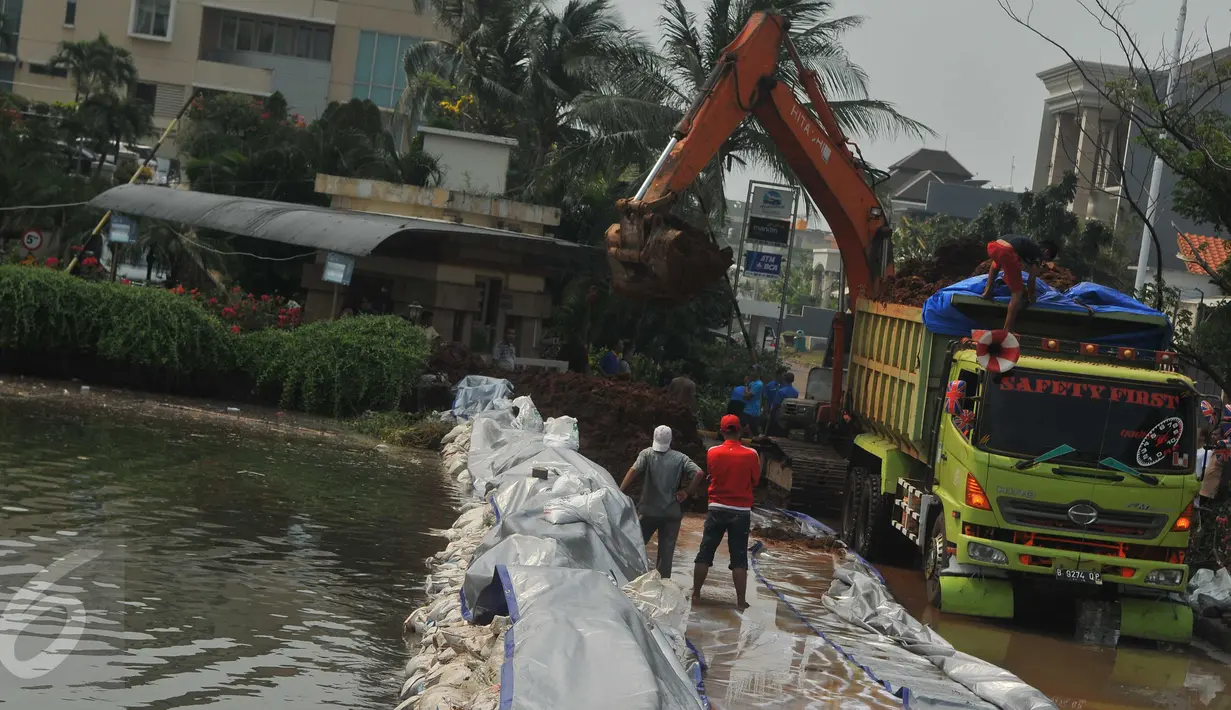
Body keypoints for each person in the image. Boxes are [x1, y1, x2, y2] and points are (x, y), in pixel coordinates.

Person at [686, 414, 761, 608]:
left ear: (721, 431)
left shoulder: (713, 452)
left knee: (705, 552)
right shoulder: (751, 454)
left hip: (717, 508)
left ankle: (696, 594)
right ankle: (741, 601)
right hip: (741, 511)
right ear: (740, 431)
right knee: (739, 558)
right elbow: (755, 481)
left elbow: (712, 475)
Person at [619, 425, 702, 579]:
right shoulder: (680, 458)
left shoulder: (647, 454)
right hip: (671, 513)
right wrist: (687, 492)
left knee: (636, 546)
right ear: (670, 440)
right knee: (666, 553)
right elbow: (699, 472)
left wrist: (619, 490)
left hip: (648, 511)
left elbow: (634, 470)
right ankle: (661, 585)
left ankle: (631, 577)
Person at [980, 235, 1061, 332]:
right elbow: (1031, 279)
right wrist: (1031, 297)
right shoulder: (1037, 255)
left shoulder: (1027, 247)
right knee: (1017, 293)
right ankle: (1007, 329)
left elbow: (1010, 266)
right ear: (1047, 252)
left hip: (994, 246)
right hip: (1006, 251)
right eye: (1047, 259)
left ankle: (987, 291)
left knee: (997, 263)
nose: (1044, 262)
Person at [742, 367, 764, 436]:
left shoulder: (758, 384)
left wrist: (745, 384)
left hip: (752, 411)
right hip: (747, 410)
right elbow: (745, 395)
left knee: (752, 432)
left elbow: (747, 396)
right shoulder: (752, 383)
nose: (751, 373)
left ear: (758, 373)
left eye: (753, 371)